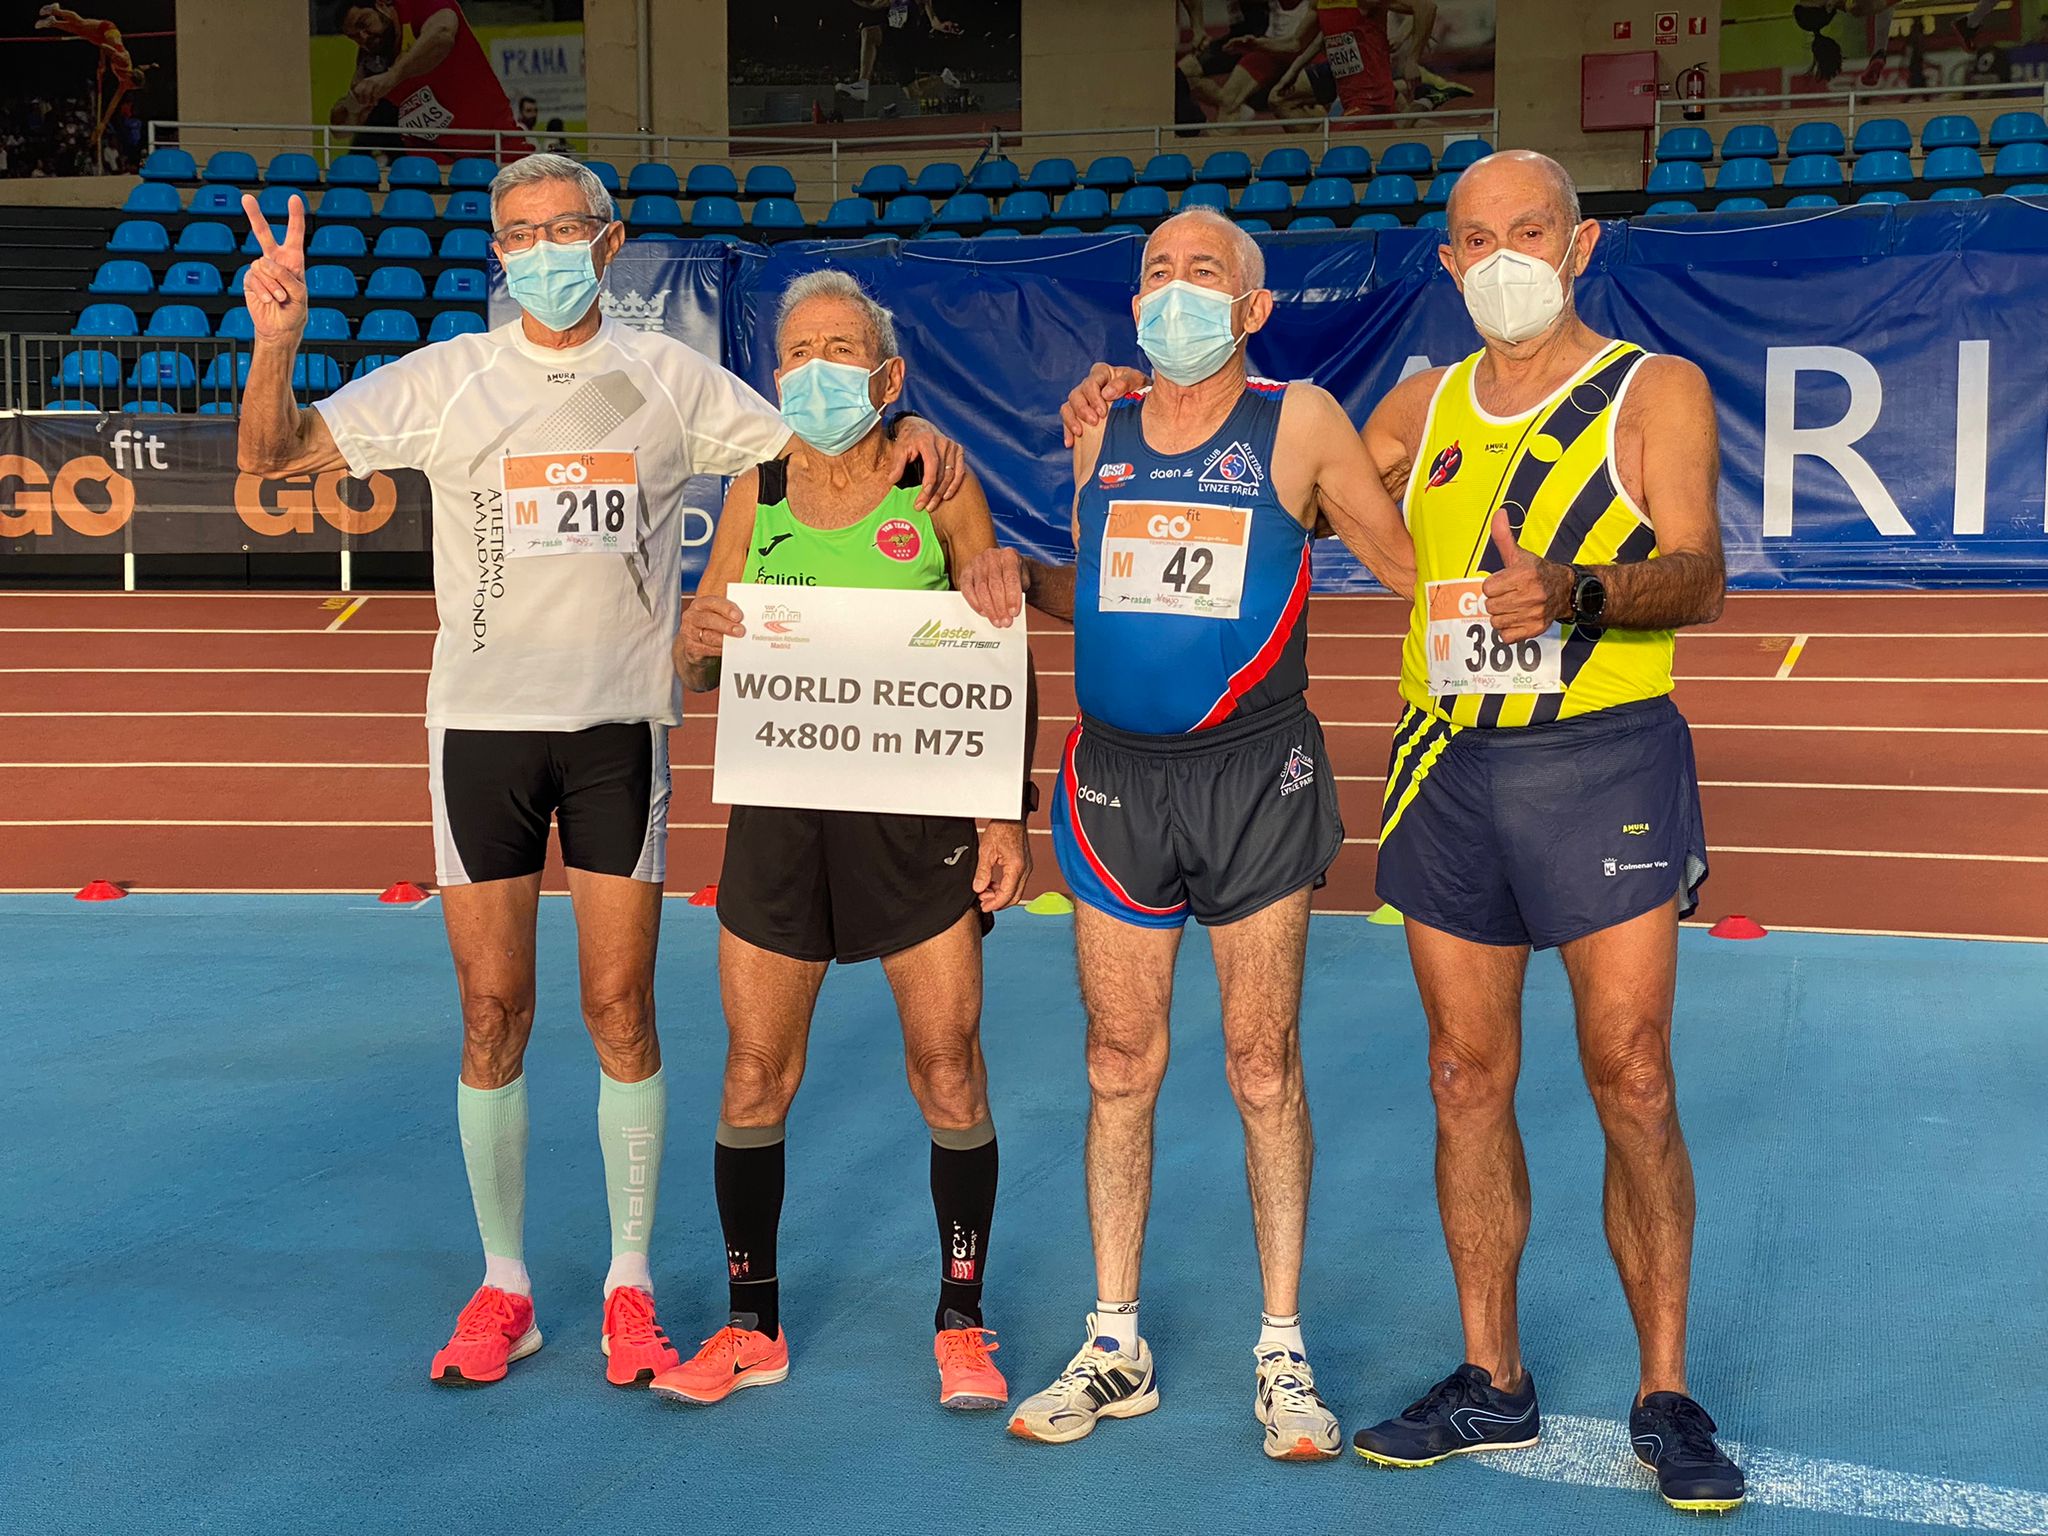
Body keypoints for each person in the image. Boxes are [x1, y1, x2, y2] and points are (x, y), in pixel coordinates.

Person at [231, 154, 964, 1394]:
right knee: (490, 1013)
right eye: (517, 234)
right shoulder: (450, 379)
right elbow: (274, 455)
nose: (540, 251)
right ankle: (504, 1287)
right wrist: (275, 343)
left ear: (608, 242)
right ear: (496, 254)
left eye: (561, 228)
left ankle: (630, 1286)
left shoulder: (669, 378)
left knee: (621, 1010)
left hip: (619, 733)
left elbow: (822, 446)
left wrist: (916, 427)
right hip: (480, 732)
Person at [958, 208, 1415, 1459]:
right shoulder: (1097, 423)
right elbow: (1097, 583)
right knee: (1117, 1060)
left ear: (1251, 308)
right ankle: (1114, 1343)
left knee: (1260, 1065)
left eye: (1203, 272)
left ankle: (1281, 1348)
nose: (1175, 289)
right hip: (1114, 781)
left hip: (1252, 776)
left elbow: (1403, 566)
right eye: (1157, 270)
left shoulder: (1298, 420)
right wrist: (1016, 577)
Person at [1344, 150, 1740, 1514]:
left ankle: (1665, 1391)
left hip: (1603, 757)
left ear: (1579, 247)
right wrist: (1128, 415)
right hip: (1445, 761)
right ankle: (1490, 1378)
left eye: (1529, 231)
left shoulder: (1652, 388)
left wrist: (1574, 589)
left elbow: (1699, 575)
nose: (1502, 256)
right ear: (1446, 261)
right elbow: (1280, 484)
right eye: (1476, 237)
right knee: (1464, 1075)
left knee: (1631, 1076)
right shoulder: (1420, 406)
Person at [653, 270, 1032, 1413]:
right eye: (796, 352)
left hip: (916, 818)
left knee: (946, 1067)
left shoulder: (934, 480)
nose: (814, 370)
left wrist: (1001, 812)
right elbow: (700, 661)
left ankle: (960, 1321)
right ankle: (750, 1324)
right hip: (780, 815)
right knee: (753, 1072)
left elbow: (995, 644)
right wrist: (696, 637)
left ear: (886, 374)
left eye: (838, 350)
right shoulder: (755, 489)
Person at [329, 0, 533, 162]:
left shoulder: (420, 6)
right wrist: (352, 104)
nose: (364, 37)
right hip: (432, 161)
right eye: (354, 37)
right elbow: (342, 130)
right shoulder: (371, 60)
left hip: (497, 146)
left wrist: (393, 76)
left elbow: (442, 36)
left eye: (364, 24)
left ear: (381, 4)